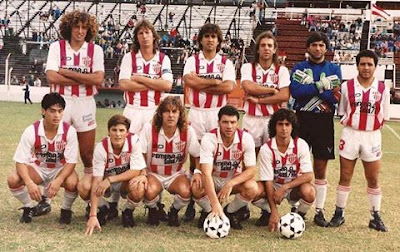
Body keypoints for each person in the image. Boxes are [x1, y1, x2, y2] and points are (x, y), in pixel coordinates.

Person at [45, 10, 105, 217]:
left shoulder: (95, 50)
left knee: (87, 154)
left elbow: (97, 80)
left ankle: (91, 198)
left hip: (85, 103)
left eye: (84, 27)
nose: (80, 31)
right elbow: (51, 75)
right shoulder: (56, 47)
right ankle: (49, 201)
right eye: (76, 27)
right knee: (53, 150)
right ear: (69, 28)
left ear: (89, 30)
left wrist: (67, 73)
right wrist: (83, 78)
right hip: (60, 103)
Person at [328, 50, 389, 232]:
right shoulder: (347, 87)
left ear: (375, 67)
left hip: (372, 135)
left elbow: (384, 114)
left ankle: (375, 215)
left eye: (370, 64)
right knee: (345, 176)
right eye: (362, 64)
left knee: (372, 178)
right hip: (351, 134)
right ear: (357, 66)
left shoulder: (382, 88)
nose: (366, 68)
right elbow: (342, 110)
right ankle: (339, 213)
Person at [182, 23, 236, 221]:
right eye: (207, 36)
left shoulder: (225, 63)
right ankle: (190, 202)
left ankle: (208, 201)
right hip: (196, 112)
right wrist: (215, 82)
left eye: (214, 36)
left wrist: (203, 83)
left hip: (216, 114)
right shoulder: (192, 60)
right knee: (194, 157)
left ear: (219, 40)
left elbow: (228, 87)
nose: (210, 40)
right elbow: (190, 82)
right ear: (201, 39)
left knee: (212, 156)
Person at [290, 31, 342, 227]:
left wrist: (311, 86)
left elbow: (334, 98)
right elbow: (296, 92)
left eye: (321, 45)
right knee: (298, 167)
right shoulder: (299, 67)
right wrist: (322, 85)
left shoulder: (334, 68)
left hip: (323, 120)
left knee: (320, 168)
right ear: (308, 47)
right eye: (314, 45)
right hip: (301, 119)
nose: (318, 48)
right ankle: (296, 206)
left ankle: (319, 211)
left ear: (326, 48)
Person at [7, 93, 79, 224]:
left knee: (73, 182)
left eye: (60, 111)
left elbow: (71, 162)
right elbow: (20, 161)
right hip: (38, 169)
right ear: (43, 111)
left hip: (59, 169)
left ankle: (66, 209)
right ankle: (28, 207)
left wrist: (58, 180)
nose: (57, 115)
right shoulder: (31, 131)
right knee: (13, 179)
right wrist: (29, 183)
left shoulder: (70, 131)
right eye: (52, 111)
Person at [135, 96, 200, 227]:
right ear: (161, 113)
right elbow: (139, 152)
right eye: (167, 111)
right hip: (153, 173)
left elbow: (197, 155)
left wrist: (197, 172)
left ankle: (173, 211)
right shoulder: (149, 128)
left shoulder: (187, 131)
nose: (170, 115)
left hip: (175, 174)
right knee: (148, 191)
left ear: (180, 114)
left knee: (186, 192)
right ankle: (154, 210)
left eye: (174, 111)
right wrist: (142, 173)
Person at [191, 105, 258, 229]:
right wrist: (215, 204)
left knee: (253, 188)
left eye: (233, 122)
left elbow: (251, 170)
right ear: (218, 122)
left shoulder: (246, 138)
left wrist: (230, 184)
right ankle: (209, 211)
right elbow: (206, 173)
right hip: (213, 177)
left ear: (238, 123)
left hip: (232, 178)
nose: (229, 126)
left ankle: (230, 212)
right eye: (225, 122)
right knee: (196, 187)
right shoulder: (209, 138)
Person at [251, 109, 315, 228]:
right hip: (274, 186)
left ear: (292, 127)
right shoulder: (267, 149)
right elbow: (268, 181)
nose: (284, 128)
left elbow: (309, 175)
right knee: (254, 190)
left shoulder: (301, 144)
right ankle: (268, 212)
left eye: (287, 124)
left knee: (309, 192)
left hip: (293, 187)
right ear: (274, 126)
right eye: (280, 124)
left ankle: (298, 215)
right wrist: (274, 212)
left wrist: (285, 187)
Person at [84, 115, 147, 235]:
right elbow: (97, 181)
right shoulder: (100, 148)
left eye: (121, 130)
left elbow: (135, 170)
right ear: (109, 131)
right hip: (105, 185)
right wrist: (92, 215)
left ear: (127, 132)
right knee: (84, 186)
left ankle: (127, 211)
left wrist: (110, 179)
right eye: (114, 130)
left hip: (124, 182)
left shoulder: (134, 141)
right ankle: (103, 208)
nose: (118, 134)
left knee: (139, 187)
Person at [119, 19, 173, 134]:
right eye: (140, 33)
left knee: (152, 148)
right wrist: (156, 83)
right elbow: (124, 84)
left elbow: (167, 85)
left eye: (147, 32)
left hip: (155, 110)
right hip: (132, 110)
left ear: (153, 36)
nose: (144, 36)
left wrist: (139, 78)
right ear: (137, 38)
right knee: (130, 147)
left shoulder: (163, 59)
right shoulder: (129, 57)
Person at [241, 31, 290, 155]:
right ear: (258, 49)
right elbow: (249, 87)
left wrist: (259, 100)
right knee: (248, 157)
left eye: (269, 45)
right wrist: (272, 90)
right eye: (263, 45)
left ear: (274, 50)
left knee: (273, 157)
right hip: (251, 118)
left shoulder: (282, 70)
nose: (266, 48)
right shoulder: (248, 67)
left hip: (273, 118)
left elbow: (284, 95)